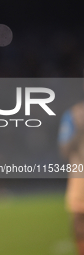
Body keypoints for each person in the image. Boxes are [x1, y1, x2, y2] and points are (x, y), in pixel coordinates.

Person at [58, 100, 84, 255]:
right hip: (80, 176)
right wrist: (79, 131)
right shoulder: (74, 115)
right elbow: (64, 150)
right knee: (79, 219)